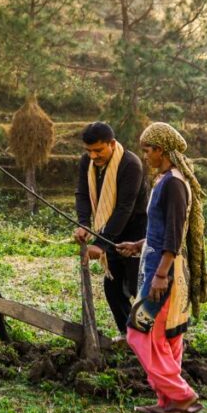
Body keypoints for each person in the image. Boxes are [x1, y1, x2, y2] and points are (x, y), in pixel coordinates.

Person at [115, 122, 207, 413]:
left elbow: (174, 235)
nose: (145, 155)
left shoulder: (174, 184)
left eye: (148, 150)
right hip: (159, 267)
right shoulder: (167, 180)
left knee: (138, 332)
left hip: (163, 274)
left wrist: (161, 275)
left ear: (162, 150)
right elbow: (161, 231)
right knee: (166, 339)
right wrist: (138, 244)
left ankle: (181, 395)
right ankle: (167, 402)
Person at [73, 121, 148, 338]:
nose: (93, 156)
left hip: (136, 231)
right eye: (89, 151)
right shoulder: (87, 162)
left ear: (112, 144)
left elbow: (125, 207)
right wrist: (84, 224)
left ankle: (153, 336)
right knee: (112, 287)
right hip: (108, 230)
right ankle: (128, 334)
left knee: (138, 286)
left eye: (98, 150)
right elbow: (82, 192)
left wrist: (100, 243)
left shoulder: (130, 164)